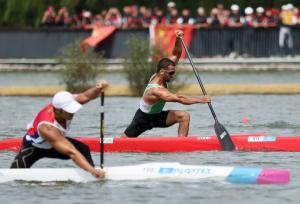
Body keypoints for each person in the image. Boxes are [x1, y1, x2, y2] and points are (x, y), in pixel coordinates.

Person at [10, 80, 108, 179]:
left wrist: (98, 88)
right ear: (57, 110)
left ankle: (92, 174)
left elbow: (87, 96)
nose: (72, 112)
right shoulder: (47, 127)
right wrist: (93, 171)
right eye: (69, 110)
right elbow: (71, 152)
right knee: (15, 176)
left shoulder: (67, 101)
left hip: (53, 143)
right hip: (33, 148)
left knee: (83, 149)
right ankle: (93, 172)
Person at [122, 30, 211, 138]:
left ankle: (181, 145)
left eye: (174, 72)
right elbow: (179, 98)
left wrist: (178, 39)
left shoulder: (163, 71)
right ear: (162, 72)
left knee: (184, 116)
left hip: (158, 116)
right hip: (142, 119)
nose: (173, 75)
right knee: (123, 141)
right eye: (171, 73)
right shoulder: (155, 90)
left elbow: (176, 54)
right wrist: (200, 100)